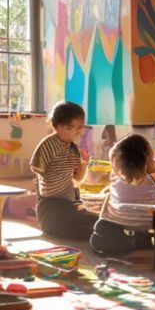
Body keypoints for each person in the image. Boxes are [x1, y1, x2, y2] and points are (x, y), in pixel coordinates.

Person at [30, 101, 97, 239]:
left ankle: (100, 233)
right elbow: (36, 168)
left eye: (80, 128)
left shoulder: (73, 148)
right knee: (68, 227)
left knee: (94, 222)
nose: (78, 132)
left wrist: (84, 163)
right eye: (72, 127)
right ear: (58, 127)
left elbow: (77, 178)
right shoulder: (49, 144)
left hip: (68, 203)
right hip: (50, 204)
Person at [89, 133, 155, 256]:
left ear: (116, 162)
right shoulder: (151, 181)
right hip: (145, 227)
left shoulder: (116, 182)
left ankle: (127, 244)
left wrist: (102, 216)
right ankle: (138, 241)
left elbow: (104, 215)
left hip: (118, 227)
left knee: (99, 229)